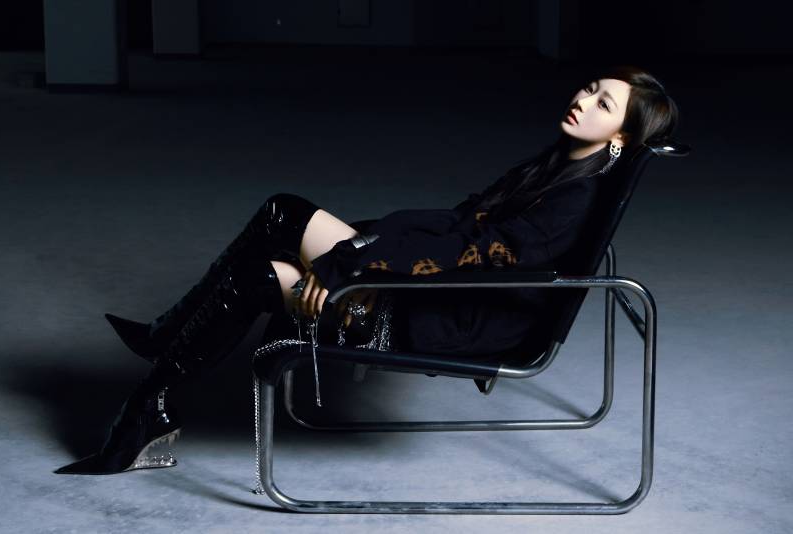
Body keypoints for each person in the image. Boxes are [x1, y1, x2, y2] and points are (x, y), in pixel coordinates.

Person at [55, 65, 679, 475]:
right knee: (283, 214)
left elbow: (470, 255)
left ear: (621, 137)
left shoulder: (572, 200)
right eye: (589, 88)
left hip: (433, 313)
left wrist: (354, 258)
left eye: (603, 103)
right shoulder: (557, 166)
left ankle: (146, 409)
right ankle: (161, 360)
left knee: (260, 273)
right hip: (430, 288)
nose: (582, 101)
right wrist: (364, 240)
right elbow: (458, 224)